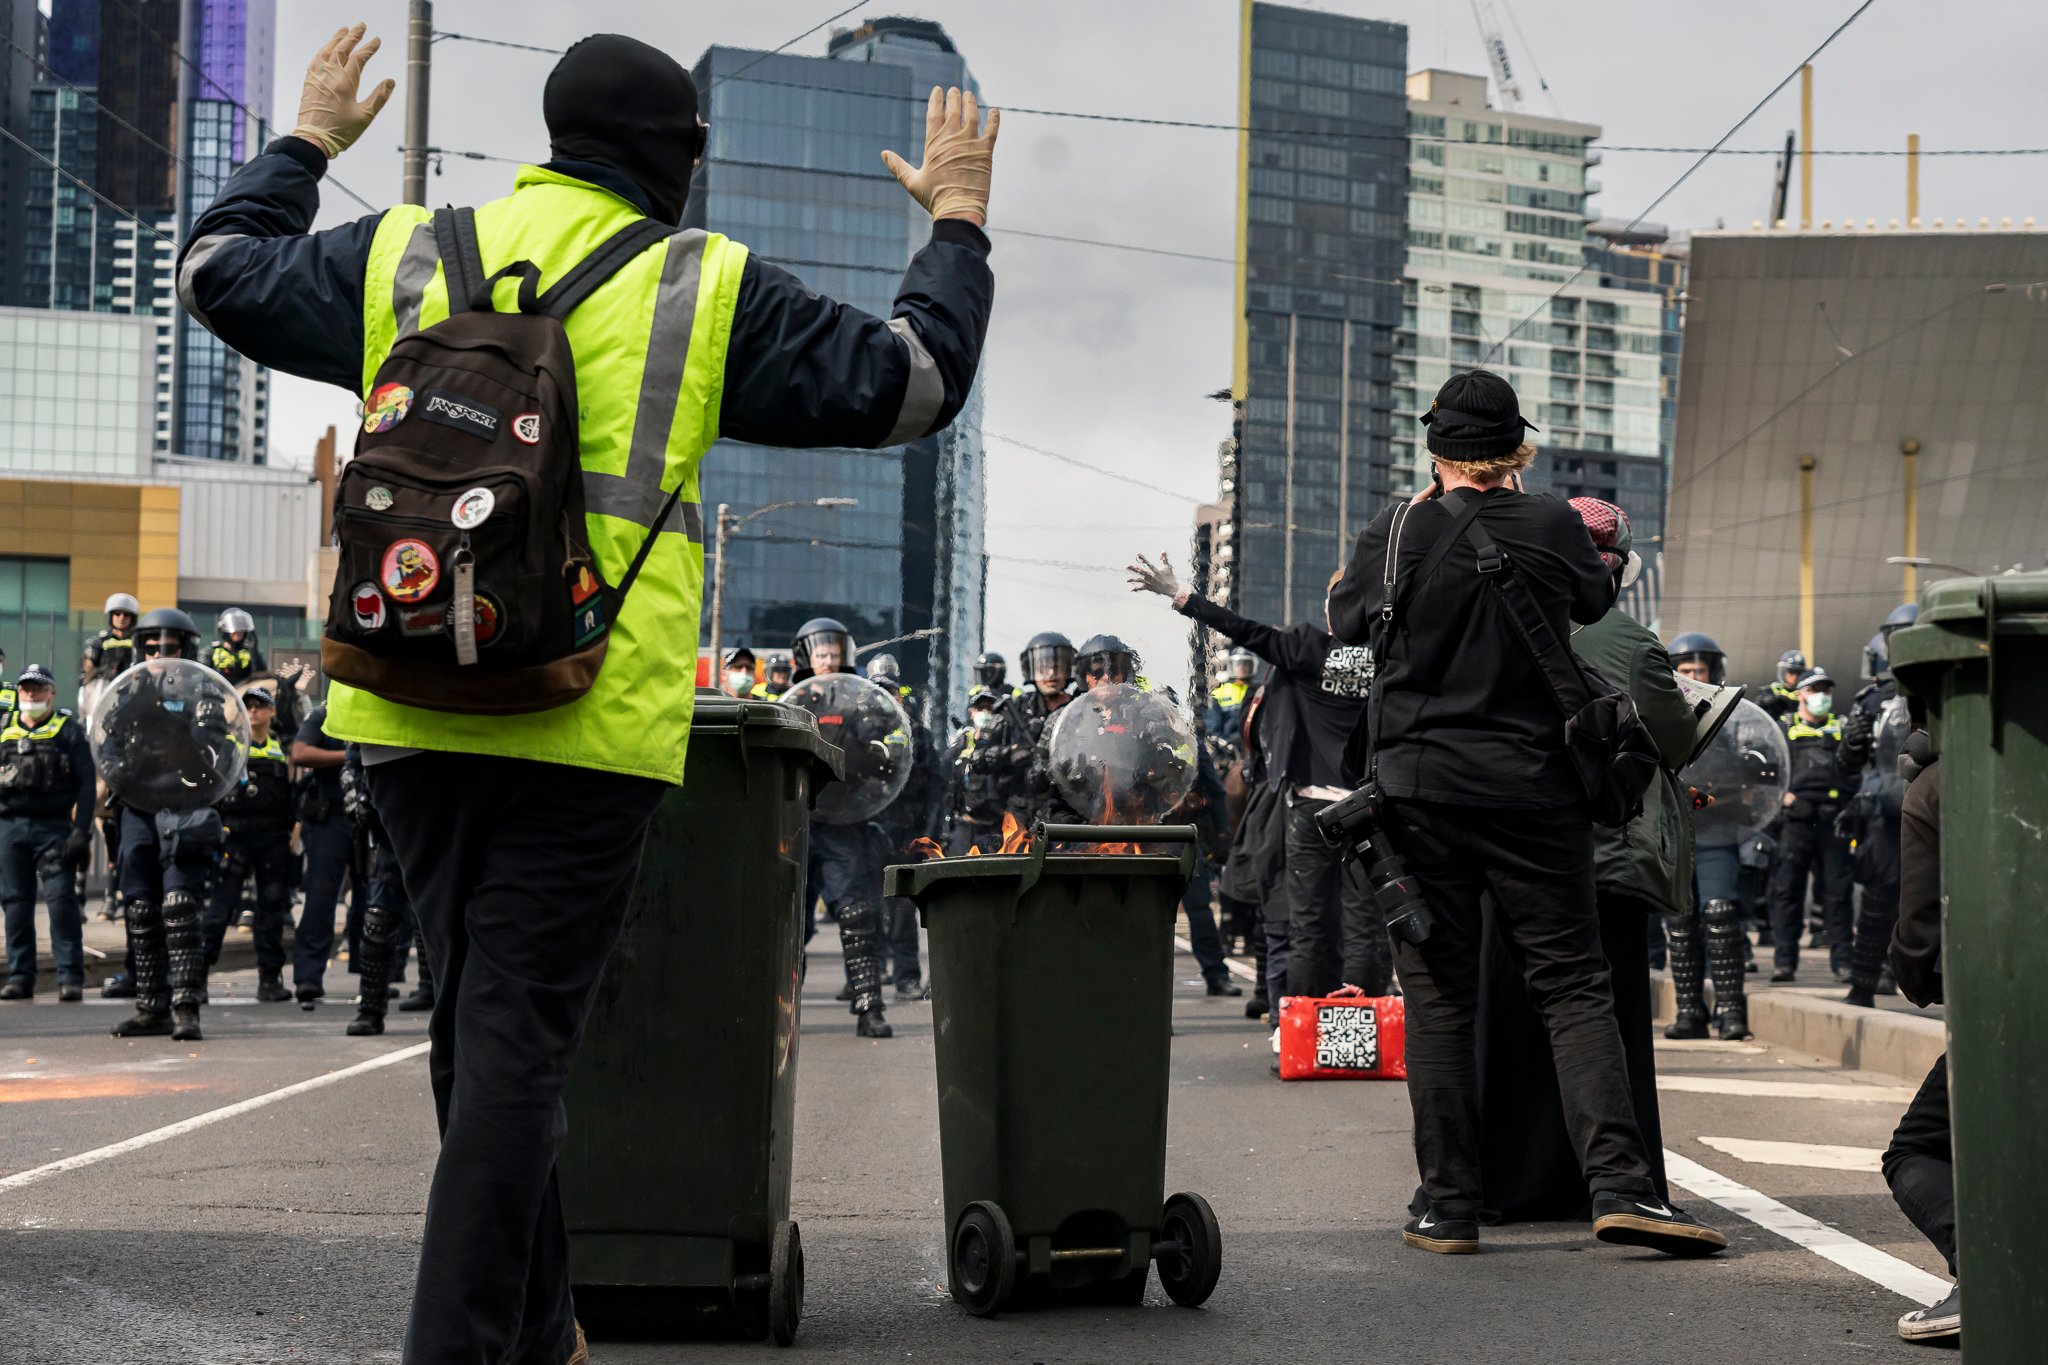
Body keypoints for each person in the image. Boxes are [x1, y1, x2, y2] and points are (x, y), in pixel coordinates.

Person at [178, 23, 993, 1357]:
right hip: (584, 720)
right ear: (678, 157)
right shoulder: (702, 283)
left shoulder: (406, 251)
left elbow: (216, 272)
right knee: (510, 1051)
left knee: (479, 1041)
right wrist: (955, 222)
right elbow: (913, 382)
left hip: (405, 701)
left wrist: (308, 144)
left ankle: (544, 1327)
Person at [1327, 369, 1725, 1258]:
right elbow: (1593, 601)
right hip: (1535, 793)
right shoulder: (1551, 523)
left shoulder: (1394, 530)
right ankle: (1622, 1186)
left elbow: (1343, 621)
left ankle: (1448, 1206)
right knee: (1575, 987)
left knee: (1439, 998)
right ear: (1516, 450)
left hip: (1419, 792)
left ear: (1435, 449)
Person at [1470, 498, 1696, 1222]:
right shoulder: (1627, 639)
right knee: (1605, 1017)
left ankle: (1498, 1182)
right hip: (1602, 859)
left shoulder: (1486, 616)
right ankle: (1614, 1181)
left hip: (1500, 849)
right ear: (1614, 570)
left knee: (1507, 1017)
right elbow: (1675, 739)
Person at [1129, 552, 1385, 1005]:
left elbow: (1244, 630)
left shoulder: (1307, 648)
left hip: (1313, 806)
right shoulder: (1388, 658)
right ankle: (1366, 1024)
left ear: (1333, 608)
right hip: (1368, 806)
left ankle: (1304, 1025)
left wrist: (1181, 595)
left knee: (1307, 923)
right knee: (1366, 921)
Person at [107, 608, 225, 1042]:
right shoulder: (128, 691)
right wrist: (121, 766)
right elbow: (109, 746)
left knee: (179, 905)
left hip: (185, 806)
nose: (159, 655)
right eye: (152, 647)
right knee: (139, 907)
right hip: (138, 806)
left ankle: (186, 1007)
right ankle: (150, 1007)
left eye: (168, 647)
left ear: (185, 649)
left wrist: (175, 734)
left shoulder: (204, 693)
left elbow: (210, 756)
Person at [1881, 727, 1959, 1344]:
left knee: (1917, 1150)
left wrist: (1913, 975)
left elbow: (1920, 928)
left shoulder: (1935, 785)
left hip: (2014, 1006)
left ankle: (1990, 1273)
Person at [794, 617, 903, 1037]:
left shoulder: (858, 703)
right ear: (806, 656)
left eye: (833, 652)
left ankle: (869, 1009)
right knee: (789, 922)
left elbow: (880, 756)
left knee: (857, 915)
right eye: (819, 653)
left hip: (843, 823)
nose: (826, 659)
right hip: (797, 823)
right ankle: (780, 1009)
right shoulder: (789, 702)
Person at [1837, 603, 1917, 1008]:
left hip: (1931, 811)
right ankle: (1864, 983)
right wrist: (1850, 745)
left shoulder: (1944, 692)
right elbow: (1848, 766)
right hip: (1884, 815)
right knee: (1876, 904)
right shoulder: (1872, 700)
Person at [0, 665, 95, 1002]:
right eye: (26, 689)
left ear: (52, 693)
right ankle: (20, 976)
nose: (31, 695)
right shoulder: (4, 729)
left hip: (53, 828)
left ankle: (69, 977)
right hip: (10, 826)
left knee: (61, 901)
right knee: (15, 904)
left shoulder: (67, 731)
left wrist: (81, 832)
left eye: (38, 689)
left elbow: (87, 783)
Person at [203, 687, 296, 1002]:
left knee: (271, 910)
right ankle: (196, 978)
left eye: (260, 706)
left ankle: (270, 980)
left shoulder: (280, 747)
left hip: (273, 838)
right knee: (220, 907)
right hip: (237, 836)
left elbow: (292, 792)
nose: (253, 711)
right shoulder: (232, 746)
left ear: (272, 712)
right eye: (249, 706)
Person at [1767, 668, 1853, 982]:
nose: (1822, 696)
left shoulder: (1841, 727)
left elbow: (1855, 770)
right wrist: (1785, 799)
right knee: (1787, 893)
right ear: (1801, 694)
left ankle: (1843, 962)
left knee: (1838, 894)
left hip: (1832, 821)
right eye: (1815, 690)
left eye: (1826, 690)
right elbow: (1770, 772)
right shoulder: (1784, 728)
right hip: (1796, 821)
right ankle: (1784, 963)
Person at [342, 744, 416, 1036]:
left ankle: (442, 1002)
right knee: (377, 922)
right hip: (388, 831)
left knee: (437, 924)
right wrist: (359, 801)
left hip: (432, 824)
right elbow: (352, 762)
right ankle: (370, 1010)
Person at [289, 701, 359, 1007]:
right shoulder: (324, 714)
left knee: (372, 899)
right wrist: (348, 756)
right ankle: (308, 976)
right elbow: (300, 752)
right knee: (320, 897)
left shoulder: (372, 712)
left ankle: (374, 979)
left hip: (367, 816)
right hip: (330, 817)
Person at [83, 592, 141, 685]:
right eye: (117, 614)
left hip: (134, 688)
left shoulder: (139, 641)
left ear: (133, 618)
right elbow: (88, 673)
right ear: (111, 616)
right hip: (105, 689)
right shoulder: (98, 642)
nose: (121, 618)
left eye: (126, 614)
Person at [1206, 648, 1257, 746]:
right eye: (1238, 664)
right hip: (1228, 745)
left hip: (1252, 743)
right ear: (1231, 665)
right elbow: (1212, 725)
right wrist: (1222, 743)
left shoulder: (1257, 691)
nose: (1241, 668)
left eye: (1245, 664)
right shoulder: (1220, 691)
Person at [210, 609, 267, 684]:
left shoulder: (249, 652)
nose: (238, 631)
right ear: (224, 630)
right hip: (218, 690)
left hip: (243, 690)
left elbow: (262, 675)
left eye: (241, 628)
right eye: (234, 628)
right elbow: (202, 676)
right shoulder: (211, 652)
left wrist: (254, 650)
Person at [1759, 649, 1806, 721]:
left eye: (1798, 673)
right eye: (1791, 672)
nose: (1795, 676)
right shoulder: (1770, 691)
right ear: (1783, 671)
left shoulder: (1806, 693)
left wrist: (1786, 702)